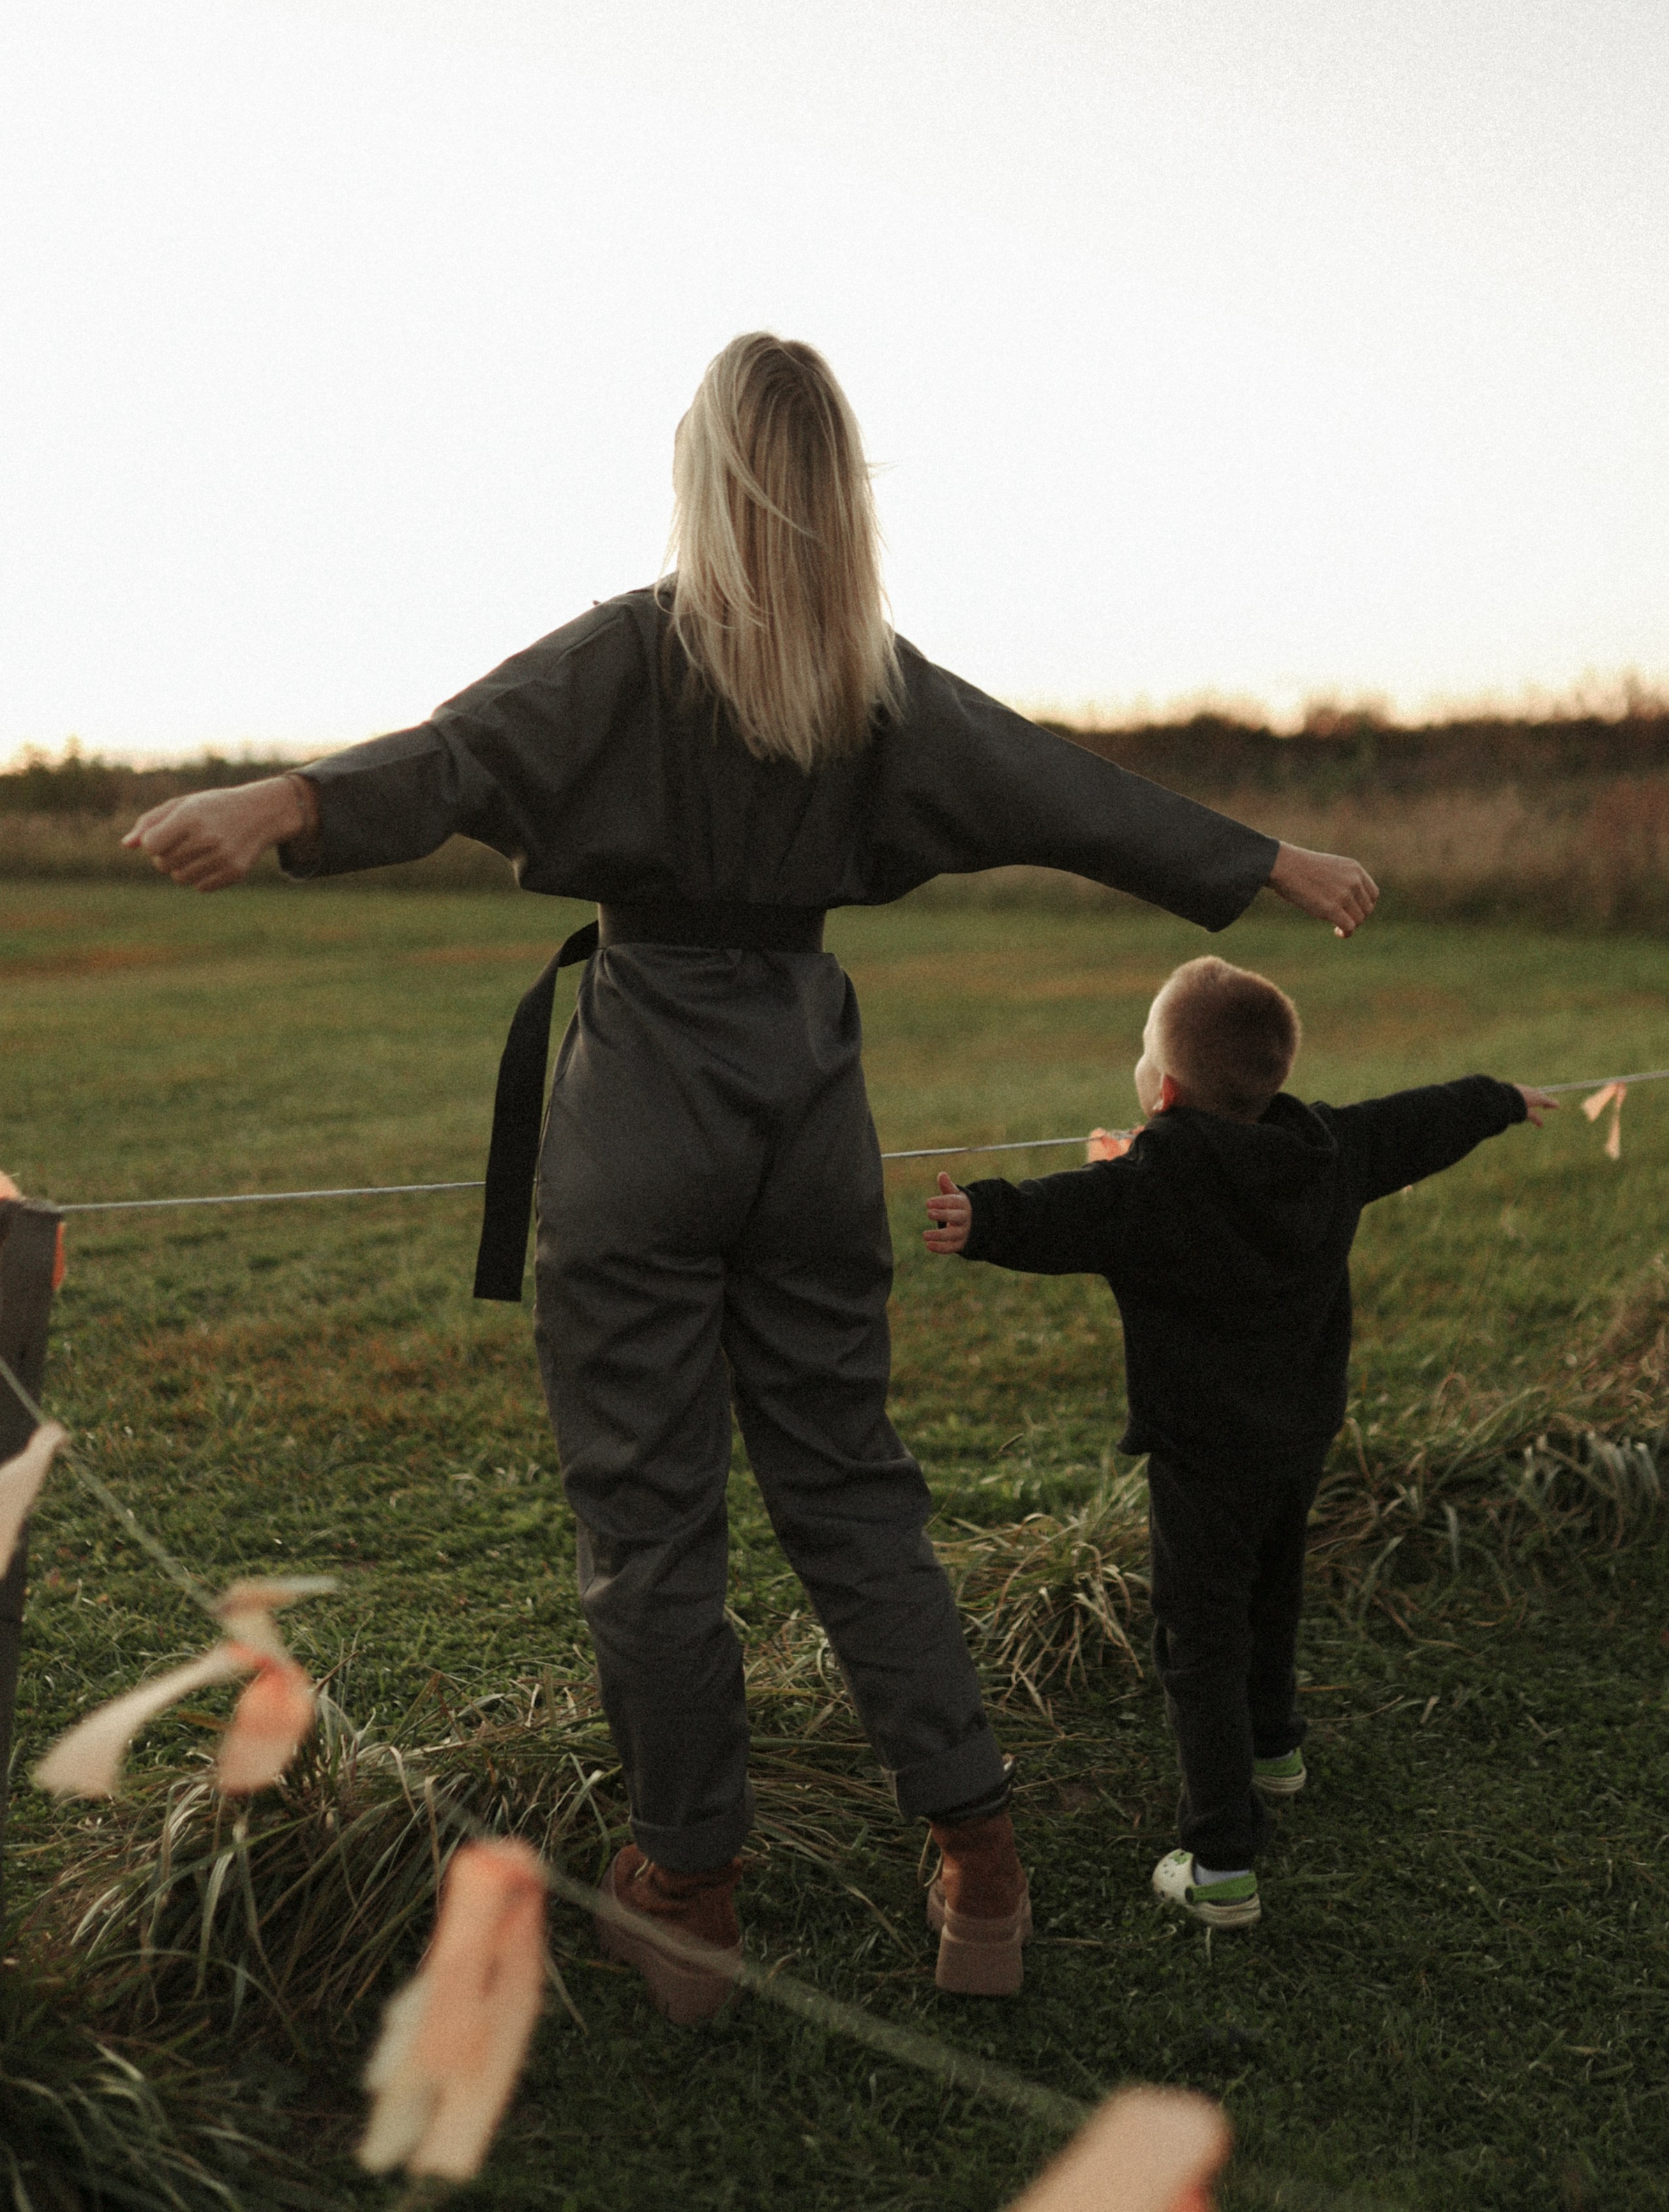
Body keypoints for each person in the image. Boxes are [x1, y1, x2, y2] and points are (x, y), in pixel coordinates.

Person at [124, 333, 1379, 2017]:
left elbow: (454, 757)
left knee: (650, 1525)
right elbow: (1062, 790)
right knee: (852, 1487)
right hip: (806, 1087)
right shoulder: (875, 685)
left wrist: (280, 802)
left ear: (701, 474)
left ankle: (690, 1895)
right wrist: (1267, 859)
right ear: (838, 492)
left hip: (646, 1084)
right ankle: (979, 1863)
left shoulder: (636, 650)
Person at [925, 952, 1555, 1929]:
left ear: (1166, 1089)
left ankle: (1221, 1861)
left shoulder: (1155, 1183)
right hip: (1299, 1434)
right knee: (1273, 1587)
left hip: (1205, 1453)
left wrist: (979, 1218)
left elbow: (1061, 1214)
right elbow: (1418, 1121)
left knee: (1202, 1633)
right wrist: (1497, 1099)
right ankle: (1274, 1747)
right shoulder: (1329, 1148)